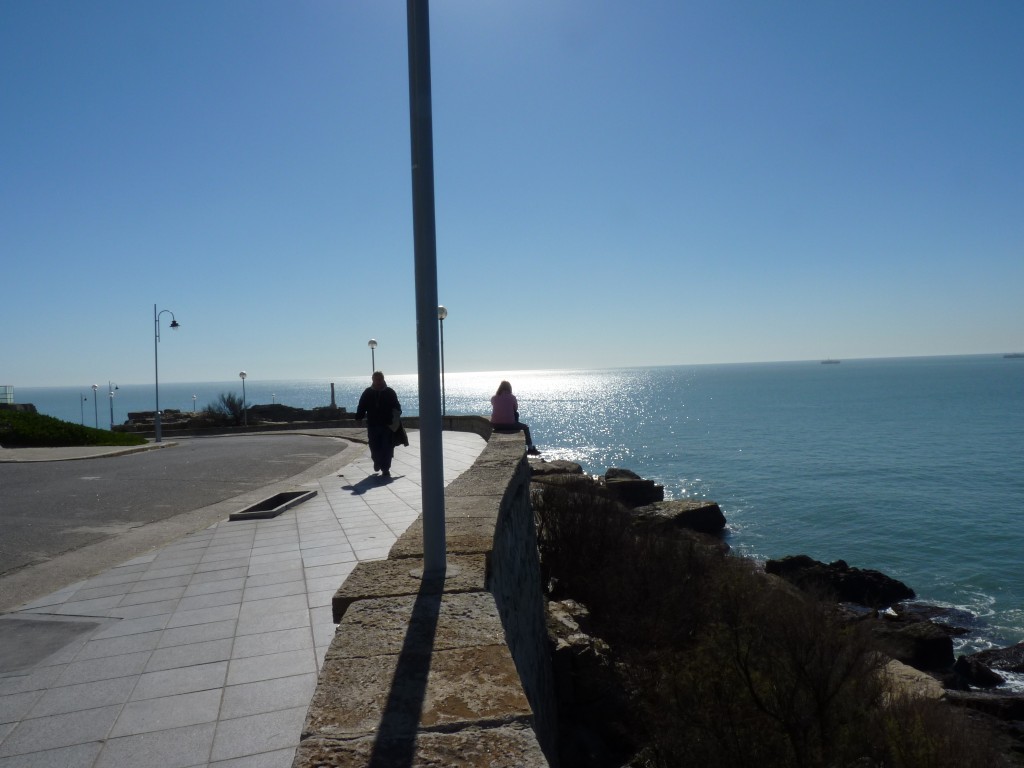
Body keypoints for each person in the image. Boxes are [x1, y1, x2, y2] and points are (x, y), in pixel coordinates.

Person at [356, 371, 402, 476]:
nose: (378, 381)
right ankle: (377, 461)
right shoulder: (367, 392)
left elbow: (397, 407)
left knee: (387, 447)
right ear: (373, 380)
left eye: (380, 379)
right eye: (376, 379)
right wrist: (359, 417)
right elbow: (361, 406)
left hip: (387, 425)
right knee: (374, 446)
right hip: (372, 425)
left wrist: (396, 416)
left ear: (383, 379)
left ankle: (385, 468)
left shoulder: (390, 392)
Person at [490, 380, 540, 455]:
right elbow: (515, 408)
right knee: (525, 426)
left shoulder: (494, 397)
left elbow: (495, 406)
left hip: (495, 425)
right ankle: (530, 448)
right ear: (509, 388)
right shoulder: (512, 397)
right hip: (510, 424)